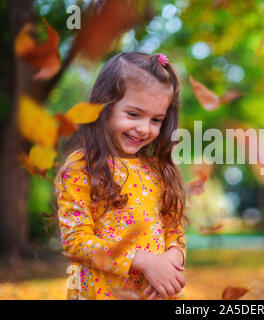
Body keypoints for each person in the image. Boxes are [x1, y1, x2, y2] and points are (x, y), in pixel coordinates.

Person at [54, 52, 187, 300]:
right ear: (104, 107)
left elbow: (174, 231)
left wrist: (171, 260)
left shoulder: (158, 169)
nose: (144, 128)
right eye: (134, 115)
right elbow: (76, 240)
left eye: (156, 119)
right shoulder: (81, 167)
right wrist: (143, 261)